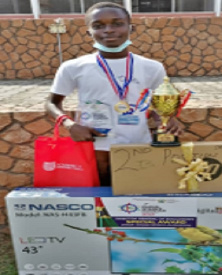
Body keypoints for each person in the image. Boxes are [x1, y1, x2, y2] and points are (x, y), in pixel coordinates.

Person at [45, 2, 182, 186]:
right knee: (98, 201)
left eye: (117, 23)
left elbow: (157, 104)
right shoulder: (73, 67)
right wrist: (71, 125)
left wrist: (164, 119)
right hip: (94, 146)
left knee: (136, 197)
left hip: (138, 145)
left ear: (130, 28)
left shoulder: (152, 67)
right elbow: (51, 103)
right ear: (89, 32)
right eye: (98, 26)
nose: (108, 30)